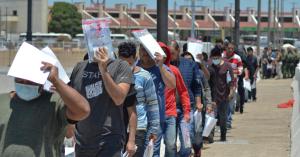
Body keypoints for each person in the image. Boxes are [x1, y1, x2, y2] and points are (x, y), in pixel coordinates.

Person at [0, 62, 90, 157]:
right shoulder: (2, 102)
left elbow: (83, 110)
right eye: (20, 80)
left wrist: (56, 81)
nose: (25, 84)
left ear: (42, 81)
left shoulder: (55, 102)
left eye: (30, 81)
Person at [70, 47, 133, 157]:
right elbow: (71, 101)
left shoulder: (121, 65)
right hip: (82, 142)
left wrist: (103, 70)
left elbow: (119, 99)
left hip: (109, 141)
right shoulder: (79, 67)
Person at [118, 41, 160, 157]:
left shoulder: (145, 76)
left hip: (139, 127)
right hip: (117, 127)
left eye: (129, 63)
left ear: (135, 58)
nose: (126, 68)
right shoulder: (113, 75)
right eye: (122, 63)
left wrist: (154, 129)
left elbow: (152, 104)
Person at [137, 44, 176, 157]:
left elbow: (172, 84)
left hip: (155, 119)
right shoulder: (135, 67)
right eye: (142, 49)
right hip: (138, 119)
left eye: (147, 49)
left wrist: (160, 66)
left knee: (152, 151)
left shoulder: (160, 67)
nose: (144, 52)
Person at [169, 40, 204, 157]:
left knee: (186, 141)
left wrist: (199, 103)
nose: (170, 56)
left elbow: (197, 86)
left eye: (172, 53)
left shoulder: (190, 65)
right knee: (170, 143)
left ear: (178, 51)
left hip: (186, 110)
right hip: (170, 110)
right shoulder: (164, 66)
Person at [159, 42, 191, 157]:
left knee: (174, 144)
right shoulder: (147, 70)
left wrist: (187, 112)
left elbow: (183, 92)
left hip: (172, 113)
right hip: (156, 114)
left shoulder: (174, 70)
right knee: (156, 146)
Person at [208, 47, 234, 141]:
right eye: (213, 58)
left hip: (224, 95)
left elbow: (231, 81)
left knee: (223, 117)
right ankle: (210, 136)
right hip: (213, 96)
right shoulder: (210, 66)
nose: (215, 60)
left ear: (220, 56)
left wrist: (231, 92)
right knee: (211, 116)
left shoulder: (227, 66)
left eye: (216, 57)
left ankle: (223, 135)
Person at [222, 43, 243, 128]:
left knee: (230, 102)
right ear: (226, 48)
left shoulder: (237, 58)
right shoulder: (222, 56)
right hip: (221, 84)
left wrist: (233, 72)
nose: (230, 50)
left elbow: (241, 69)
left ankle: (228, 121)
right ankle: (222, 121)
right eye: (229, 48)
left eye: (232, 48)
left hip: (233, 83)